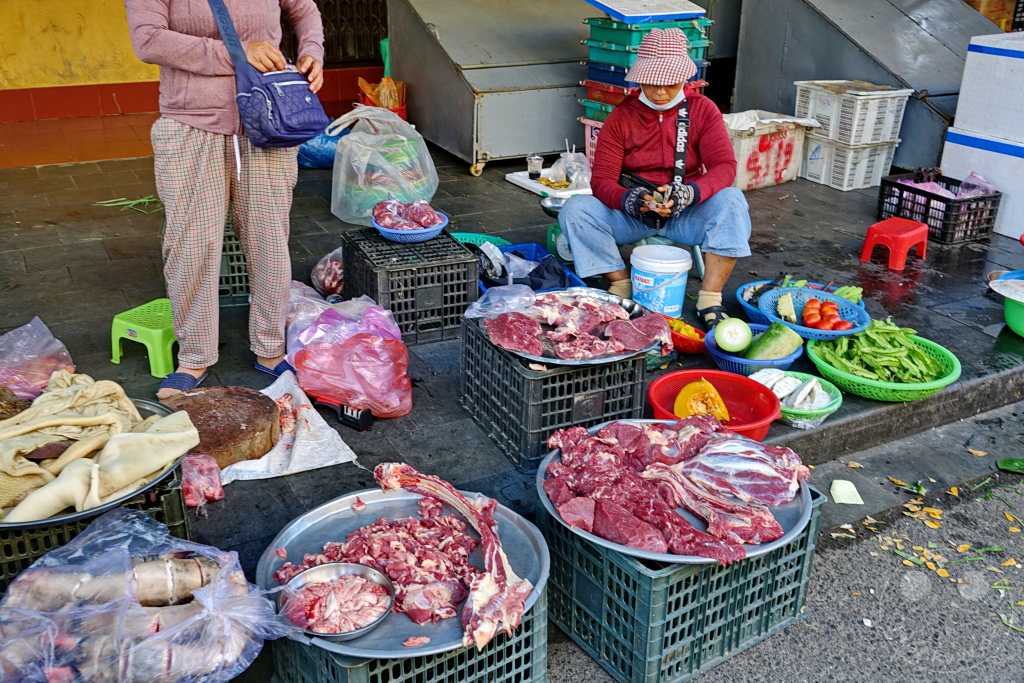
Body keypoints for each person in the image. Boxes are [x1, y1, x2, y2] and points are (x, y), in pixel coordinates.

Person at [125, 0, 325, 399]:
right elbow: (148, 40)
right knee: (192, 245)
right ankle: (194, 358)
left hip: (270, 122)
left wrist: (312, 52)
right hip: (190, 125)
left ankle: (270, 348)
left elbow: (305, 9)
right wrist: (238, 53)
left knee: (269, 240)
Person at [559, 28, 751, 329]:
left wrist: (690, 193)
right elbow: (602, 181)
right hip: (633, 215)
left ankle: (710, 297)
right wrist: (631, 199)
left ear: (685, 79)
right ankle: (620, 282)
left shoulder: (703, 110)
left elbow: (724, 166)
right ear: (640, 79)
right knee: (575, 210)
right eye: (651, 83)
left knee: (732, 200)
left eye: (670, 84)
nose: (660, 92)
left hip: (687, 214)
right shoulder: (621, 117)